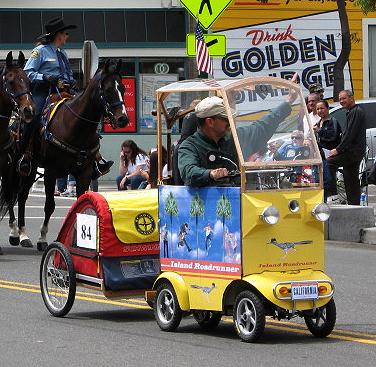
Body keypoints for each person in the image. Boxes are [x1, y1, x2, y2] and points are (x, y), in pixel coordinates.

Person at [19, 17, 112, 176]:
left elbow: (67, 74)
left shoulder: (63, 54)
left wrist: (71, 81)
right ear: (57, 35)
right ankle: (25, 154)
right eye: (65, 33)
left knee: (86, 112)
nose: (67, 36)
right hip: (44, 92)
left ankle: (95, 158)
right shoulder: (40, 51)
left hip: (64, 92)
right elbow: (28, 73)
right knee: (33, 118)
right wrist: (46, 78)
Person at [178, 77, 298, 187]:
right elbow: (189, 172)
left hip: (241, 198)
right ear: (210, 122)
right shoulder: (189, 146)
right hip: (208, 203)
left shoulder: (236, 137)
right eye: (226, 119)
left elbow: (263, 126)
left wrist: (288, 101)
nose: (230, 122)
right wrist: (211, 174)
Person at [326, 90, 366, 205]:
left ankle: (333, 196)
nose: (341, 101)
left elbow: (350, 134)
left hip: (352, 152)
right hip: (353, 152)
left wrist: (338, 150)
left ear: (351, 98)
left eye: (344, 98)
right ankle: (354, 204)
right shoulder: (351, 112)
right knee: (351, 178)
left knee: (329, 163)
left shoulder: (356, 112)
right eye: (340, 99)